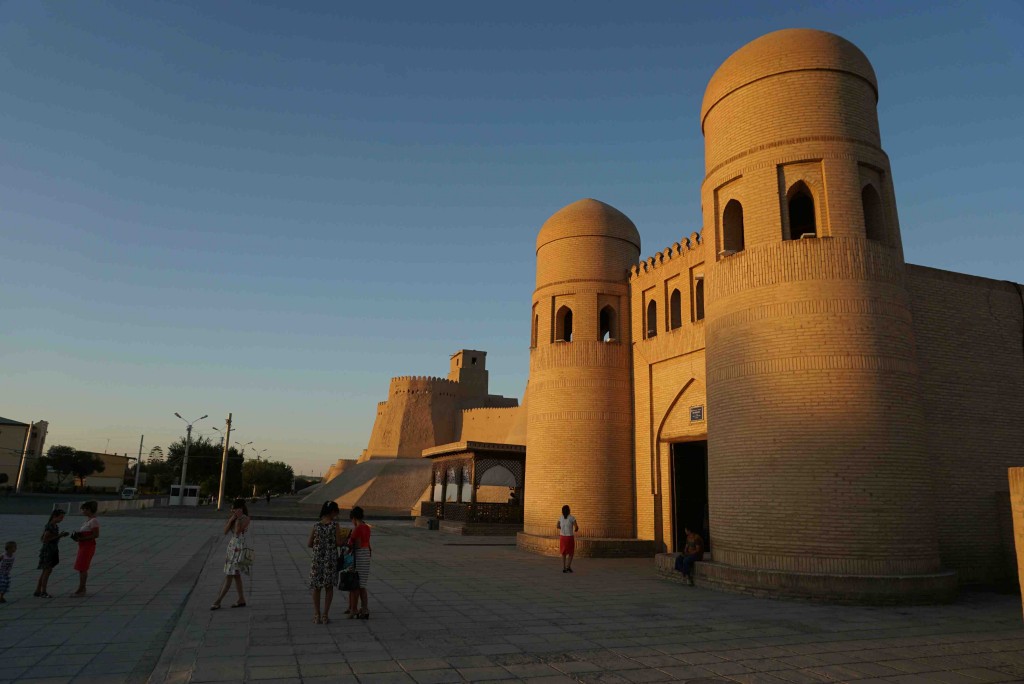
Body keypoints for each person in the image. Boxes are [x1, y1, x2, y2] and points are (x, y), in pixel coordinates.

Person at [307, 501, 343, 624]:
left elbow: (309, 543)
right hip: (330, 559)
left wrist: (319, 545)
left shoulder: (316, 525)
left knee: (316, 587)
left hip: (317, 559)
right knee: (329, 587)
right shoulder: (334, 525)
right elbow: (338, 542)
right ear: (332, 512)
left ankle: (316, 615)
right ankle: (325, 615)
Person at [211, 498, 250, 610]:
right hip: (232, 546)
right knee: (236, 576)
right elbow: (225, 531)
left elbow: (238, 531)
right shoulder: (234, 518)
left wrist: (237, 519)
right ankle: (241, 599)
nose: (233, 511)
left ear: (241, 509)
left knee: (230, 575)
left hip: (239, 547)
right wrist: (231, 519)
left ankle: (218, 600)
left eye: (235, 509)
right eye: (232, 509)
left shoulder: (246, 519)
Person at [36, 508, 68, 598]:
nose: (62, 519)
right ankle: (43, 591)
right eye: (61, 517)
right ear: (54, 516)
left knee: (45, 571)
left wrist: (60, 536)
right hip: (48, 550)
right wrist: (59, 536)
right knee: (47, 570)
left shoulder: (54, 526)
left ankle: (38, 590)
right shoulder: (50, 526)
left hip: (52, 549)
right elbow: (45, 539)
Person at [347, 506, 371, 619]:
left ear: (354, 518)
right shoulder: (367, 527)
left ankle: (354, 609)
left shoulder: (357, 529)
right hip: (366, 555)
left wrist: (348, 543)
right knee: (362, 585)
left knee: (355, 585)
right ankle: (365, 609)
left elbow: (356, 545)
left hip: (359, 557)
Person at [71, 500, 100, 596]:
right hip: (83, 545)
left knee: (83, 567)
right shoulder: (88, 520)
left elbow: (96, 535)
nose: (83, 511)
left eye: (84, 509)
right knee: (81, 567)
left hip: (88, 546)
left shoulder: (94, 521)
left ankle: (82, 588)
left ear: (89, 510)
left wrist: (82, 538)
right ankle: (82, 587)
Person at [556, 505, 579, 573]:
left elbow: (557, 526)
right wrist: (575, 529)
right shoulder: (572, 518)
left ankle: (564, 567)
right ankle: (568, 566)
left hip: (562, 537)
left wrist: (562, 529)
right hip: (569, 537)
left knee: (563, 553)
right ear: (569, 510)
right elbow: (576, 527)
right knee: (571, 552)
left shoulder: (560, 518)